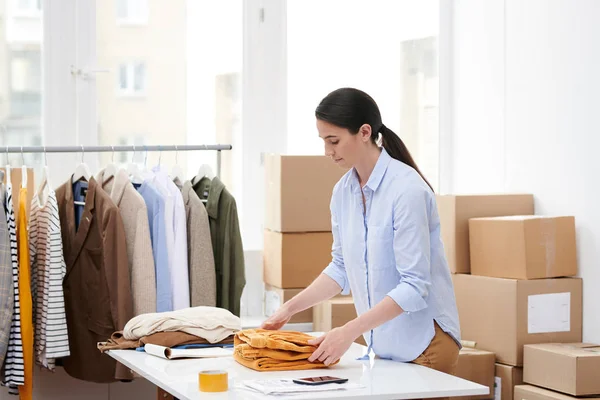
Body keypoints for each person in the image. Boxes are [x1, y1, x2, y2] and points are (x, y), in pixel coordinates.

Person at [261, 87, 461, 376]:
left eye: (334, 141)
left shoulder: (407, 191)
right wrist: (289, 309)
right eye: (323, 141)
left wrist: (347, 332)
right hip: (384, 345)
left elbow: (414, 286)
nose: (327, 152)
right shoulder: (343, 192)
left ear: (365, 132)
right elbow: (340, 268)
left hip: (426, 344)